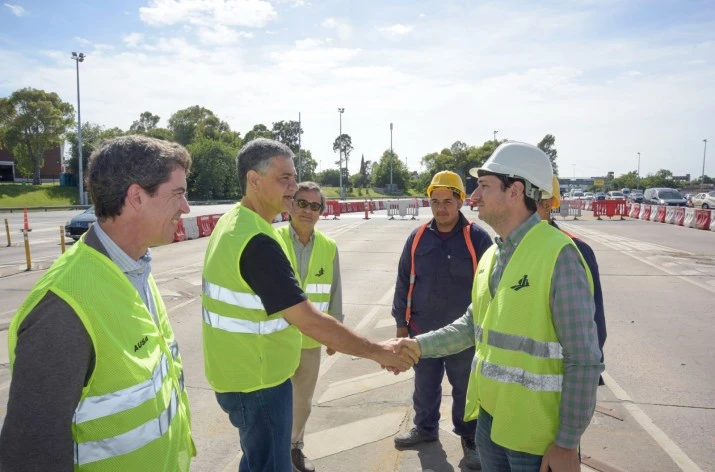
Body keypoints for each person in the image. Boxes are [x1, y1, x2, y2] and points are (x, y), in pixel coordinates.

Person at [201, 138, 416, 472]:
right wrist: (378, 351)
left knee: (258, 461)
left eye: (294, 177)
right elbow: (308, 319)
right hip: (259, 383)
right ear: (253, 181)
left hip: (241, 375)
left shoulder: (234, 223)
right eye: (284, 178)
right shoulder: (257, 241)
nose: (293, 186)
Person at [395, 142, 604, 472]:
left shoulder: (558, 256)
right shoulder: (493, 255)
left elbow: (584, 359)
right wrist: (416, 346)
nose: (474, 196)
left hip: (536, 439)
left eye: (484, 186)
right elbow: (470, 325)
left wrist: (566, 442)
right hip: (491, 426)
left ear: (515, 191)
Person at [0, 135, 196, 471]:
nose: (186, 207)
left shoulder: (135, 266)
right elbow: (29, 455)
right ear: (136, 197)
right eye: (177, 194)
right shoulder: (61, 309)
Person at [391, 171, 492, 470]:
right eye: (435, 201)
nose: (441, 208)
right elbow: (402, 280)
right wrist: (401, 324)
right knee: (424, 386)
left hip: (464, 334)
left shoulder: (478, 238)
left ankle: (470, 439)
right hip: (423, 331)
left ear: (461, 201)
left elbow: (490, 286)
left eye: (447, 201)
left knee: (465, 388)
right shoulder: (418, 237)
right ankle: (425, 429)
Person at [277, 182, 344, 472]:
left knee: (302, 402)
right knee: (272, 402)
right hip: (274, 338)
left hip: (310, 340)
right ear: (290, 205)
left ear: (321, 212)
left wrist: (336, 333)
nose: (307, 210)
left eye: (315, 206)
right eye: (302, 203)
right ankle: (272, 452)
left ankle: (294, 448)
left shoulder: (328, 247)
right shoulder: (271, 239)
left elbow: (334, 293)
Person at [537, 176, 607, 384]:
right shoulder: (508, 247)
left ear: (548, 204)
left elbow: (594, 324)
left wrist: (582, 378)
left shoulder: (573, 250)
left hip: (558, 380)